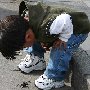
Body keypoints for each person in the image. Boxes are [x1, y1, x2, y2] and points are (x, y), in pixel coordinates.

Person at [0, 2, 89, 90]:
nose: (24, 48)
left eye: (23, 47)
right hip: (61, 26)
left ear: (28, 37)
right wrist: (47, 41)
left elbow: (65, 19)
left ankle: (55, 77)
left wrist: (63, 39)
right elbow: (38, 33)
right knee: (35, 35)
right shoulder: (25, 24)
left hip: (77, 30)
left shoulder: (47, 27)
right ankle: (37, 59)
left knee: (60, 47)